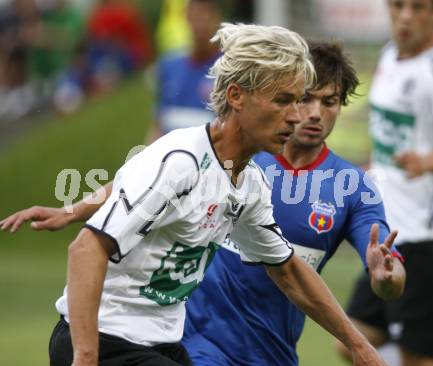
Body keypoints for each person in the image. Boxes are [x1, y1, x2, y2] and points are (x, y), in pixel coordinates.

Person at [0, 23, 389, 366]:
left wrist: (359, 346)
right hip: (108, 341)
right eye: (284, 101)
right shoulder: (181, 160)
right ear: (236, 96)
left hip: (161, 343)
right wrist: (86, 357)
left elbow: (286, 270)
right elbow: (85, 250)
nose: (297, 116)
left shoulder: (248, 182)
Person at [182, 41, 405, 366]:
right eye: (306, 98)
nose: (316, 113)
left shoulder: (353, 187)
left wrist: (387, 275)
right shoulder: (239, 153)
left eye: (329, 102)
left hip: (271, 354)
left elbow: (388, 273)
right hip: (193, 342)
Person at [335, 1, 433, 366]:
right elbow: (389, 136)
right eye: (398, 6)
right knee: (352, 339)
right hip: (387, 227)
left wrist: (429, 161)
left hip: (425, 235)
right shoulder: (390, 54)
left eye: (419, 7)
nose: (406, 16)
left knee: (418, 356)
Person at [153, 0, 222, 138]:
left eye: (206, 15)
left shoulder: (228, 69)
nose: (201, 24)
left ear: (217, 18)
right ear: (187, 18)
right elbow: (159, 123)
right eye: (196, 16)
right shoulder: (169, 65)